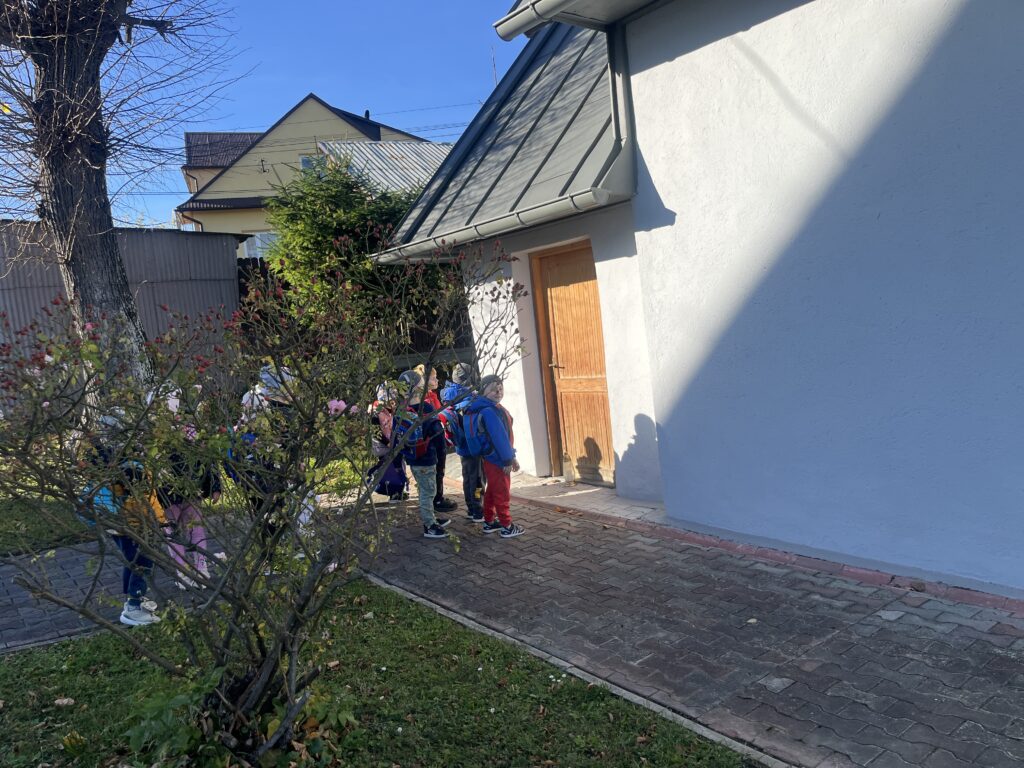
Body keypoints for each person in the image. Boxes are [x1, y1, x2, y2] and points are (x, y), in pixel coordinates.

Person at [160, 389, 221, 590]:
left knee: (195, 527)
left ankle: (200, 567)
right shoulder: (157, 435)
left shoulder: (193, 431)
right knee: (174, 530)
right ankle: (183, 571)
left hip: (192, 489)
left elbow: (209, 457)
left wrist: (215, 486)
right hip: (168, 492)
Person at [463, 374, 524, 538]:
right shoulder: (489, 411)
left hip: (492, 458)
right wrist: (508, 459)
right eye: (493, 389)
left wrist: (512, 456)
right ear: (483, 391)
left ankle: (489, 521)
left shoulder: (491, 407)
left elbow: (503, 437)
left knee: (492, 490)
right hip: (498, 460)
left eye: (500, 388)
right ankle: (507, 526)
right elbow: (499, 438)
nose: (498, 392)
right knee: (502, 492)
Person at [395, 370, 450, 539]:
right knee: (428, 492)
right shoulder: (426, 409)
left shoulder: (400, 411)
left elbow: (396, 439)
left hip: (413, 458)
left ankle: (431, 518)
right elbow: (438, 434)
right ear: (419, 389)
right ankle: (429, 525)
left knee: (424, 489)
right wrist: (442, 454)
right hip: (427, 458)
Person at [440, 363, 484, 522]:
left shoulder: (449, 394)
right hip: (473, 444)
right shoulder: (470, 397)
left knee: (468, 478)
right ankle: (477, 509)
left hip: (461, 445)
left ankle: (471, 507)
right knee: (477, 480)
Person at [414, 364, 458, 514]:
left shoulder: (432, 396)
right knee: (436, 470)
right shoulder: (423, 401)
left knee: (440, 469)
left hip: (438, 437)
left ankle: (437, 496)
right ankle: (435, 499)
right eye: (433, 378)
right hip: (431, 441)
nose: (437, 380)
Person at [367, 381, 408, 501]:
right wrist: (388, 443)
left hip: (393, 443)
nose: (393, 402)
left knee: (399, 464)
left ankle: (399, 490)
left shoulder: (390, 410)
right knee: (392, 467)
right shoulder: (376, 412)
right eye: (390, 400)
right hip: (382, 445)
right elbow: (376, 431)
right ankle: (394, 491)